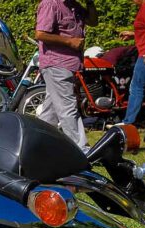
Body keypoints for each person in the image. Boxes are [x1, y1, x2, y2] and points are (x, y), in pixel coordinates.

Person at [35, 0, 97, 151]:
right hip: (56, 63)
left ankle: (37, 144)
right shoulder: (51, 4)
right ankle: (81, 149)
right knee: (67, 107)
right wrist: (69, 41)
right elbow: (40, 34)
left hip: (69, 65)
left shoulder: (75, 6)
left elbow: (93, 22)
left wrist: (90, 3)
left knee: (51, 110)